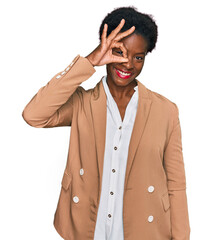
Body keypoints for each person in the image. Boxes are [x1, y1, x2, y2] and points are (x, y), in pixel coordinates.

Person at [22, 6, 191, 240]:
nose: (128, 64)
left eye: (138, 57)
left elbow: (175, 184)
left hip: (144, 229)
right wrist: (89, 62)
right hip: (86, 228)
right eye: (119, 52)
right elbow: (34, 114)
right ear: (105, 48)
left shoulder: (166, 111)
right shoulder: (82, 103)